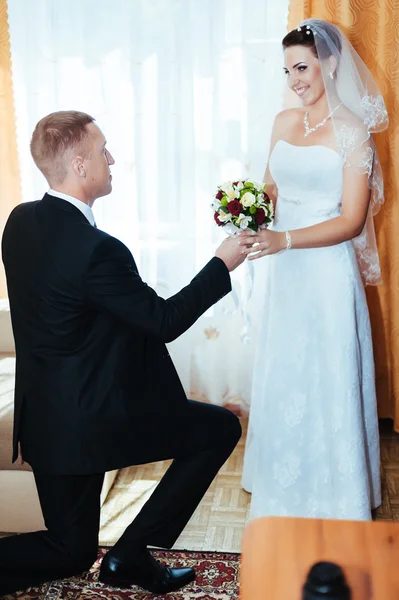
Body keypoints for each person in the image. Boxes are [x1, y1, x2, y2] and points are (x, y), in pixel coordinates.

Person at [0, 110, 247, 596]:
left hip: (45, 420)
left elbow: (68, 310)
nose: (110, 160)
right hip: (92, 421)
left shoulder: (20, 222)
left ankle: (128, 559)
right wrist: (222, 263)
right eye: (102, 151)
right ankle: (130, 555)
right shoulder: (97, 249)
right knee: (219, 429)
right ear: (78, 164)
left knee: (68, 550)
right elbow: (164, 321)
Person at [240, 19, 388, 520]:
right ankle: (281, 476)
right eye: (288, 70)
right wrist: (243, 210)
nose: (294, 79)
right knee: (285, 368)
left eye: (301, 67)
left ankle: (336, 491)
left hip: (325, 272)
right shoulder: (283, 123)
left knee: (328, 373)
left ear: (330, 64)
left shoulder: (354, 133)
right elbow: (270, 189)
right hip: (285, 276)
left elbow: (350, 220)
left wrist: (284, 239)